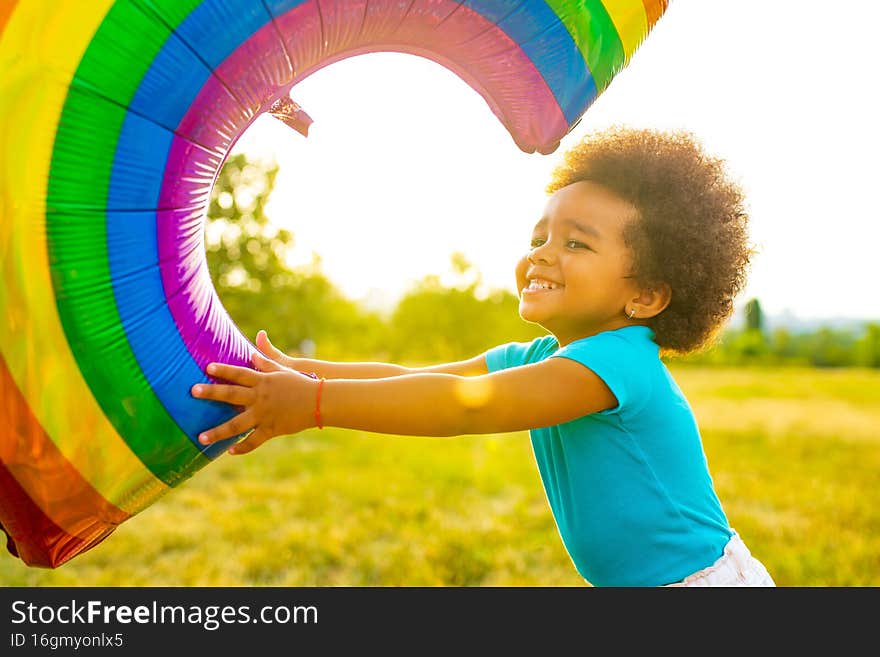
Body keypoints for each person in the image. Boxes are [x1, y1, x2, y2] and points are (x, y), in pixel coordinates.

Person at [191, 126, 775, 587]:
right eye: (539, 238)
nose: (542, 255)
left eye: (576, 243)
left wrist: (312, 404)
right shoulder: (544, 354)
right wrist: (298, 372)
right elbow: (415, 377)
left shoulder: (620, 362)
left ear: (644, 295)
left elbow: (467, 407)